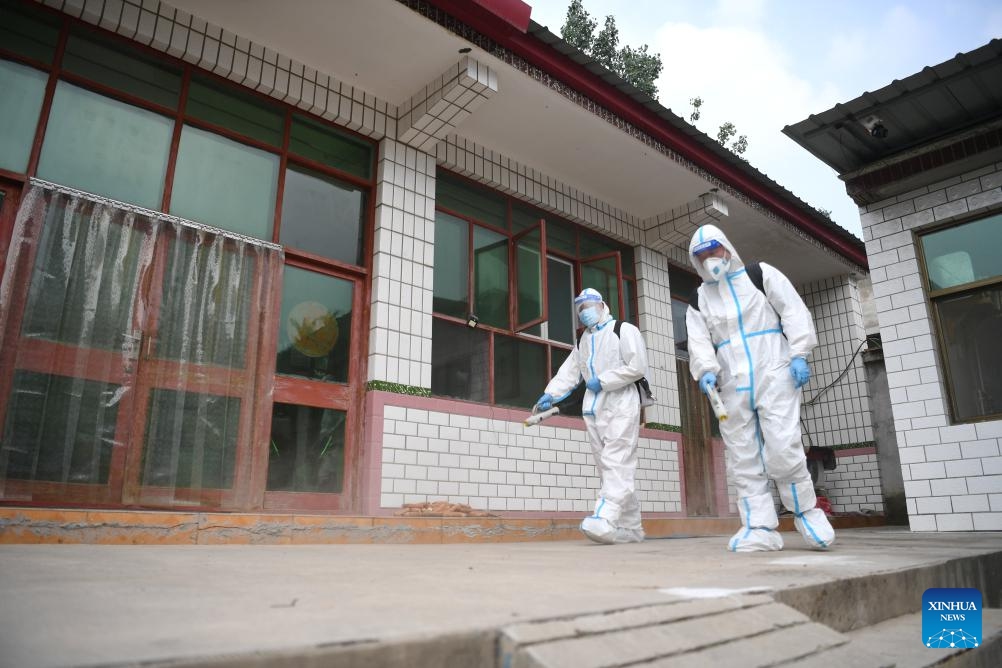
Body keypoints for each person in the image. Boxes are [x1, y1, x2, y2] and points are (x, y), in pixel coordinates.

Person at [685, 224, 835, 552]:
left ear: (726, 248)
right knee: (742, 456)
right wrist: (706, 371)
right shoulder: (699, 300)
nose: (710, 259)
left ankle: (807, 512)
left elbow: (793, 311)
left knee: (782, 446)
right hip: (731, 382)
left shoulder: (759, 275)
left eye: (714, 251)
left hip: (773, 370)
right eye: (702, 256)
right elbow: (698, 343)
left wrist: (798, 353)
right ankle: (758, 526)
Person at [535, 288, 649, 544]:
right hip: (593, 408)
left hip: (621, 402)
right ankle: (631, 528)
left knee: (616, 461)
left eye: (588, 305)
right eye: (580, 308)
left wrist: (605, 380)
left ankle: (603, 517)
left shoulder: (623, 329)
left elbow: (637, 367)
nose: (584, 311)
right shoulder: (583, 340)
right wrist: (551, 394)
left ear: (602, 305)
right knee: (608, 467)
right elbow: (570, 372)